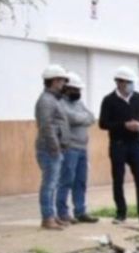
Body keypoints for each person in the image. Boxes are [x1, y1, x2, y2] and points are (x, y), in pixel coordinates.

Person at [98, 66, 139, 224]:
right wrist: (124, 125)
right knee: (118, 179)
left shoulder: (138, 97)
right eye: (128, 82)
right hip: (118, 144)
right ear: (119, 83)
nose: (131, 85)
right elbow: (103, 123)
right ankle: (121, 213)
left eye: (132, 82)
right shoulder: (109, 100)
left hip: (135, 143)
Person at [56, 72, 99, 224]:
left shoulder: (79, 103)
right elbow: (71, 118)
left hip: (82, 148)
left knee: (80, 181)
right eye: (75, 89)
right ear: (66, 88)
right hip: (69, 147)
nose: (78, 93)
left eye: (79, 90)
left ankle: (80, 211)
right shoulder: (60, 103)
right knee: (66, 180)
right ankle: (62, 213)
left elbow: (92, 117)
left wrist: (81, 118)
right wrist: (82, 118)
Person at [34, 64, 69, 231]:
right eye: (62, 80)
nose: (64, 84)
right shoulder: (46, 100)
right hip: (49, 149)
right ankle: (47, 217)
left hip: (55, 148)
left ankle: (52, 215)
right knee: (49, 184)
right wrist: (55, 147)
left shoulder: (54, 99)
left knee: (53, 184)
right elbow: (46, 126)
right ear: (54, 81)